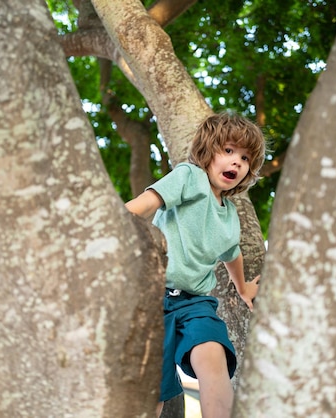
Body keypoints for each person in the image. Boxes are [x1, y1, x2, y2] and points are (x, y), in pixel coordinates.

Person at [125, 111, 265, 418]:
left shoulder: (229, 216)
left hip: (195, 303)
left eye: (244, 159)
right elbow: (148, 202)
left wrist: (242, 287)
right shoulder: (190, 176)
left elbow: (232, 254)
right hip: (151, 297)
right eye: (228, 151)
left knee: (213, 354)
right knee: (152, 391)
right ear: (207, 152)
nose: (236, 162)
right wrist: (117, 220)